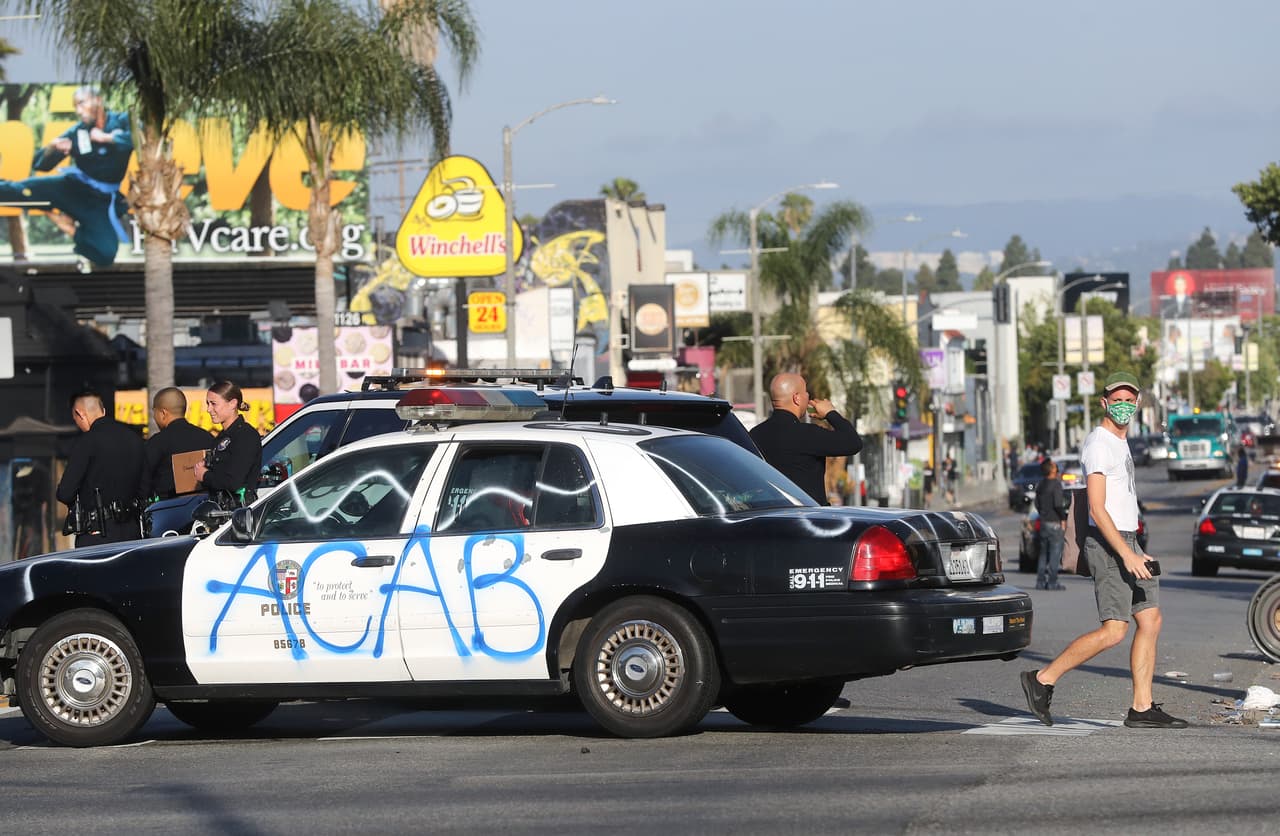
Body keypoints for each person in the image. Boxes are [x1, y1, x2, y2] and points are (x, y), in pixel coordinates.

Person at [1020, 371, 1187, 729]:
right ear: (1104, 403)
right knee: (1114, 630)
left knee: (1151, 619)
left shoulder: (1120, 442)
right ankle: (1043, 679)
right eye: (1117, 400)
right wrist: (1126, 554)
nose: (1123, 405)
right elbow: (1097, 509)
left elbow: (1122, 502)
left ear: (1137, 403)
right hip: (1108, 544)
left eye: (1129, 400)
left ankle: (1142, 708)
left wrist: (1136, 548)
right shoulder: (1099, 444)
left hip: (1127, 540)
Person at [0, 86, 132, 266]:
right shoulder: (78, 132)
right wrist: (52, 148)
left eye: (82, 103)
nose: (78, 111)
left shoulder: (122, 121)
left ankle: (70, 227)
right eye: (75, 106)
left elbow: (137, 140)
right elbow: (40, 164)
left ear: (98, 100)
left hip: (99, 202)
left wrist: (106, 138)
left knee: (105, 253)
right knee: (19, 190)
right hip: (71, 188)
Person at [749, 372, 863, 505]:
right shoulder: (807, 434)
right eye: (806, 392)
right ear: (796, 398)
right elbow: (853, 442)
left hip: (768, 513)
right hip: (808, 513)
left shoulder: (754, 434)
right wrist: (830, 413)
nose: (808, 396)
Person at [55, 390, 144, 545]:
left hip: (97, 533)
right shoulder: (135, 439)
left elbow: (65, 493)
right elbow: (145, 488)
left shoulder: (86, 442)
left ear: (80, 414)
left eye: (76, 419)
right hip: (132, 531)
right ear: (103, 411)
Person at [193, 380, 263, 509]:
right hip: (218, 510)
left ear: (233, 403)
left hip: (238, 512)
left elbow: (234, 482)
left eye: (214, 404)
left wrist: (205, 475)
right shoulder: (220, 438)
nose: (209, 409)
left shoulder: (245, 435)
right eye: (208, 404)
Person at [141, 387, 216, 500]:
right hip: (205, 505)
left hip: (169, 507)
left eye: (154, 412)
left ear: (163, 413)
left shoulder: (157, 443)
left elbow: (144, 485)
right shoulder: (207, 438)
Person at [1033, 458, 1069, 590]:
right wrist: (1063, 518)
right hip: (1054, 522)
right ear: (1052, 470)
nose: (1056, 467)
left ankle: (1040, 581)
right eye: (1054, 465)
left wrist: (1043, 513)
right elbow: (1058, 504)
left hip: (1043, 522)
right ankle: (1052, 581)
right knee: (1055, 553)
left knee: (1043, 554)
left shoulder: (1041, 484)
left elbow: (1036, 503)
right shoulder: (1056, 484)